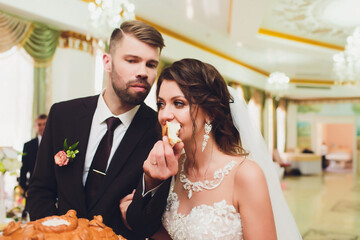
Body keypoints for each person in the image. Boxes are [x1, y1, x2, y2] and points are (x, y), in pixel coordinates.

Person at [124, 58, 302, 239]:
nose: (164, 115)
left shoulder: (246, 174)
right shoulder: (172, 167)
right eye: (161, 104)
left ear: (211, 113)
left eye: (178, 103)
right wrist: (136, 210)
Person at [27, 20, 165, 239]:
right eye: (132, 60)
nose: (143, 72)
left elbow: (148, 222)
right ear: (107, 62)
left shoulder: (158, 131)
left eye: (151, 64)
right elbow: (39, 191)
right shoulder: (63, 114)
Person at [19, 113, 47, 218]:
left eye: (44, 124)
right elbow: (24, 168)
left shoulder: (56, 143)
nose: (42, 127)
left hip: (52, 187)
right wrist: (24, 187)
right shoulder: (28, 145)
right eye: (39, 125)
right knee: (32, 215)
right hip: (33, 187)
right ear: (35, 127)